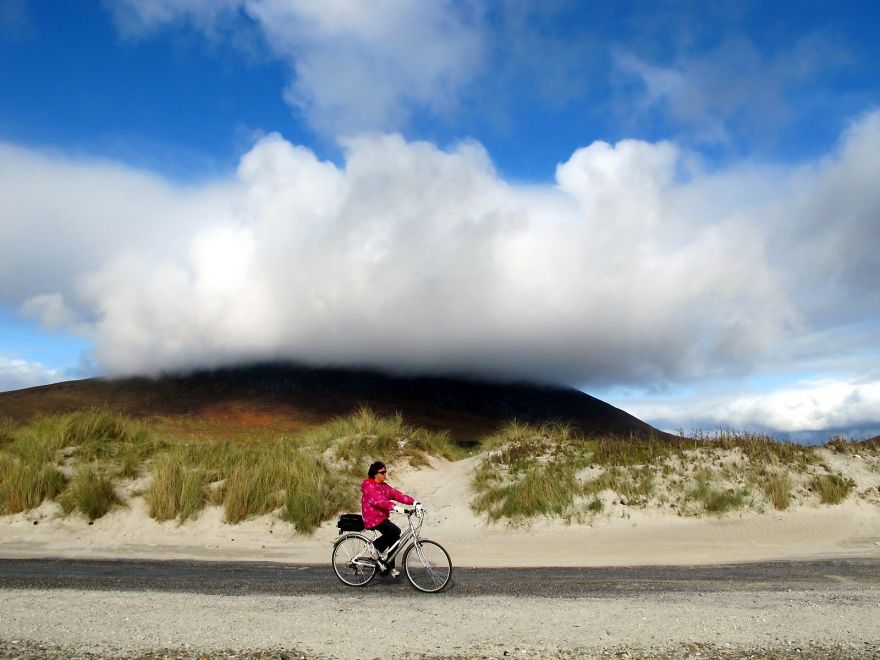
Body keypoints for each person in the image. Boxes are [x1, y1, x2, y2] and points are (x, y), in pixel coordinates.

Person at [361, 461, 417, 577]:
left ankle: (388, 565)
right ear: (375, 474)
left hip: (381, 518)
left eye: (385, 472)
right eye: (382, 472)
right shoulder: (369, 486)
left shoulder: (383, 486)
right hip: (372, 518)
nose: (385, 474)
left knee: (395, 537)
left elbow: (397, 495)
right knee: (395, 531)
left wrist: (414, 502)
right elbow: (380, 501)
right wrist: (396, 508)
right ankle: (374, 546)